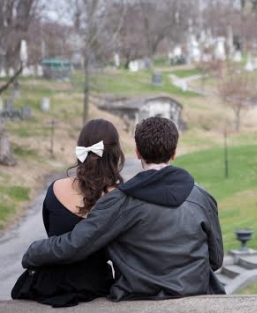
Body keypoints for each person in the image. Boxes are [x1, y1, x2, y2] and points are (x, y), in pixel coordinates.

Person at [21, 116, 225, 301]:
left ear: (137, 152)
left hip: (139, 296)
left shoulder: (119, 201)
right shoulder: (203, 197)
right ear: (174, 153)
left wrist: (33, 251)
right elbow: (215, 260)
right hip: (196, 293)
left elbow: (75, 245)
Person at [12, 118, 125, 307]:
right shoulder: (120, 198)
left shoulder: (55, 188)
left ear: (80, 149)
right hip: (93, 282)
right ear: (115, 153)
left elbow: (51, 233)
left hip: (47, 282)